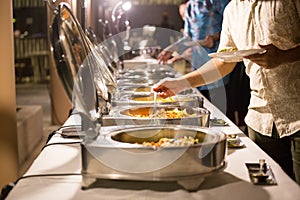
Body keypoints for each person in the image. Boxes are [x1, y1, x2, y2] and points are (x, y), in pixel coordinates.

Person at [153, 0, 300, 184]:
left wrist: (284, 57)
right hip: (259, 119)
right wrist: (180, 83)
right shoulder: (232, 9)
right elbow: (224, 61)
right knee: (274, 190)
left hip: (297, 115)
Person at [157, 0, 230, 114]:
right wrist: (172, 48)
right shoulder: (191, 6)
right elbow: (187, 38)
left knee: (221, 111)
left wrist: (215, 38)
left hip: (220, 67)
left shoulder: (219, 2)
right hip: (197, 65)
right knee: (202, 108)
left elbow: (234, 28)